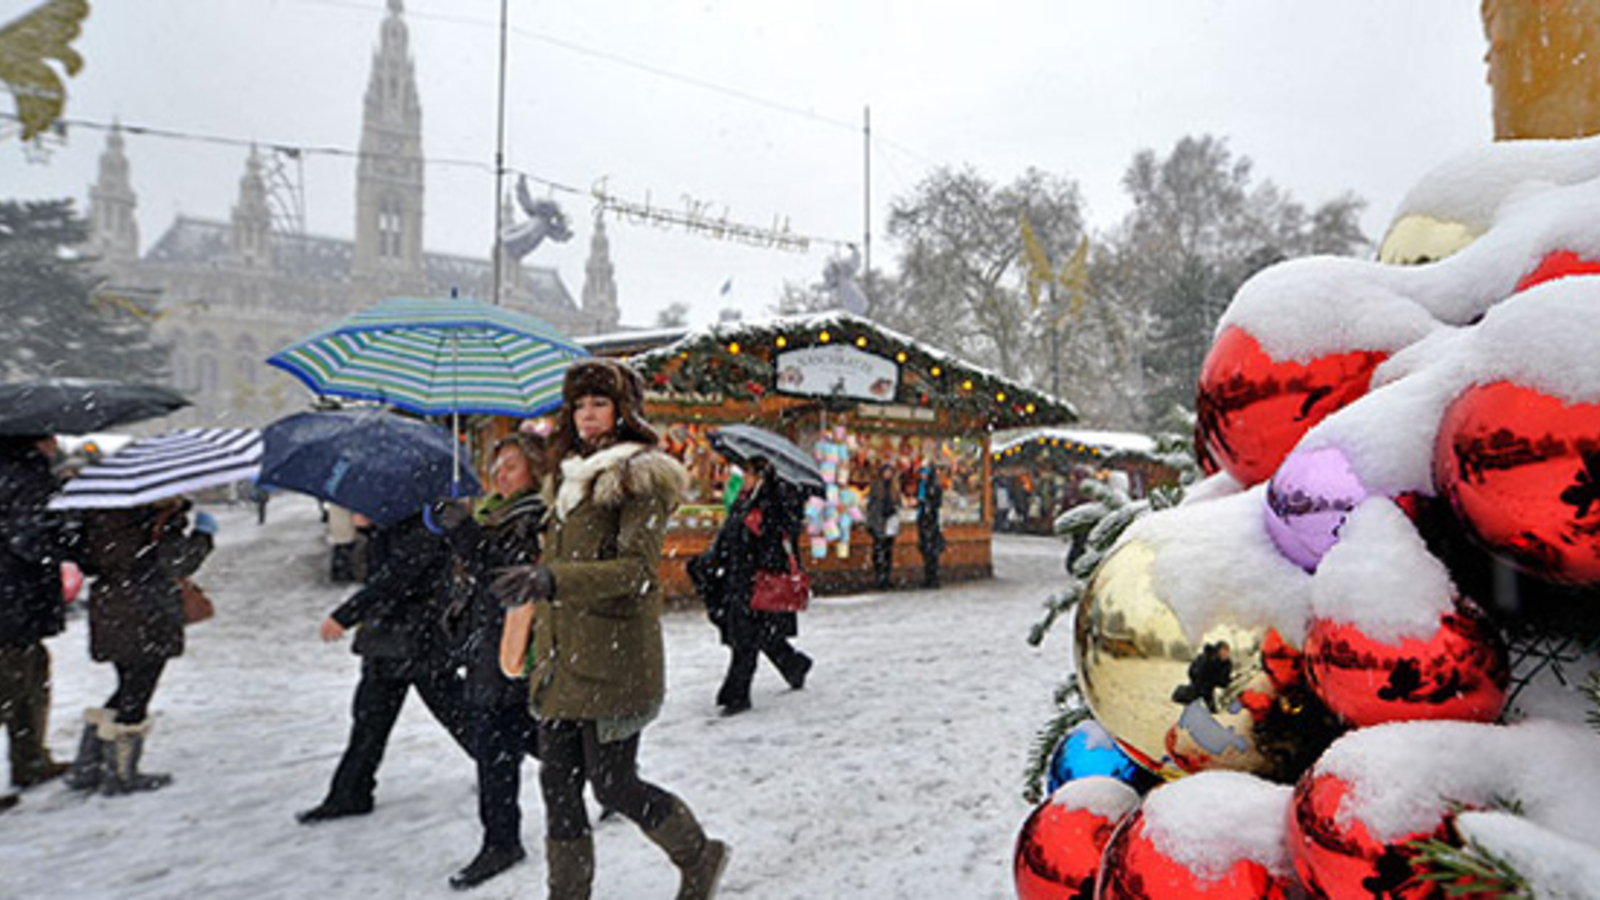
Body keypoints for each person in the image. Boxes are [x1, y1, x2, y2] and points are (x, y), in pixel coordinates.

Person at [498, 358, 729, 900]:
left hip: (613, 655)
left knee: (613, 784)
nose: (587, 414)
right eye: (578, 404)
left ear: (622, 410)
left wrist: (551, 579)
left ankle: (700, 855)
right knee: (556, 784)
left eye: (598, 403)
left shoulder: (638, 476)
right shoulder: (566, 476)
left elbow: (636, 573)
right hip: (561, 658)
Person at [297, 510, 472, 824]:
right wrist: (373, 532)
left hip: (419, 642)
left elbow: (393, 581)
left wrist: (345, 615)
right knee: (368, 721)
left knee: (458, 714)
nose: (354, 512)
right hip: (386, 643)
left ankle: (508, 765)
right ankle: (350, 794)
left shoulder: (423, 529)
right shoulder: (388, 530)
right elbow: (383, 576)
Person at [430, 433, 549, 890]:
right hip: (486, 648)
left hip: (514, 651)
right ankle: (605, 777)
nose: (500, 475)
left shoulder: (531, 515)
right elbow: (475, 573)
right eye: (497, 465)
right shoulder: (490, 513)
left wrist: (464, 533)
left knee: (501, 746)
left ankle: (502, 843)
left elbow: (506, 579)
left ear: (533, 472)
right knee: (510, 745)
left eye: (512, 466)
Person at [68, 496, 216, 794]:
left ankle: (88, 764)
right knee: (138, 690)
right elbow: (179, 562)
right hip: (148, 610)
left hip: (111, 606)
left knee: (128, 684)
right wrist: (203, 536)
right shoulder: (157, 518)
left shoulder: (99, 515)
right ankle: (122, 774)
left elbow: (89, 562)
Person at [694, 457, 813, 716]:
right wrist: (710, 562)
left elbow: (781, 539)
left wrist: (761, 530)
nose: (743, 478)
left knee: (746, 640)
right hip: (738, 579)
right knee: (763, 635)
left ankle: (736, 695)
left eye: (748, 474)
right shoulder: (744, 499)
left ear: (761, 476)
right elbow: (729, 535)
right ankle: (794, 666)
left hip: (759, 581)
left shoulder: (776, 500)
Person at [0, 435, 75, 804]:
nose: (56, 441)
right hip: (12, 599)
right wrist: (67, 538)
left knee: (30, 680)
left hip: (14, 601)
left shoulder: (20, 471)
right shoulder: (23, 473)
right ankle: (29, 760)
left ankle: (31, 760)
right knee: (14, 687)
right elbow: (27, 538)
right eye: (50, 435)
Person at [865, 462, 900, 590]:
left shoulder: (894, 488)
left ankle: (886, 576)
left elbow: (897, 502)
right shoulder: (876, 487)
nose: (888, 474)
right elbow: (872, 505)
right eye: (886, 471)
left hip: (889, 520)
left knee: (887, 551)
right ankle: (880, 577)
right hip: (879, 521)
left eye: (890, 472)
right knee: (879, 550)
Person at [916, 464, 946, 588]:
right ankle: (929, 576)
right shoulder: (923, 485)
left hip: (930, 522)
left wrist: (926, 504)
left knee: (931, 551)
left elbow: (936, 503)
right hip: (925, 520)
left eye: (925, 473)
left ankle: (932, 577)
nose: (923, 476)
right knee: (927, 550)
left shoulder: (933, 486)